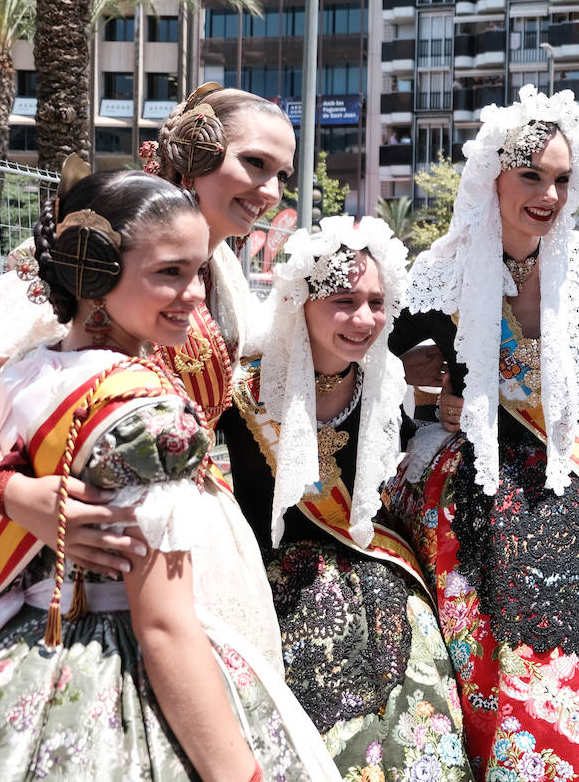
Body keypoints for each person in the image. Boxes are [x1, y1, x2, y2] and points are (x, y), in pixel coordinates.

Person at [0, 169, 337, 780]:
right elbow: (163, 628)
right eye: (170, 273)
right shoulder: (151, 423)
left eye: (199, 272)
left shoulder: (27, 368)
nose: (195, 294)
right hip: (105, 661)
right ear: (95, 275)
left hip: (4, 635)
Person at [385, 86, 579, 781]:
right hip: (476, 479)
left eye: (561, 179)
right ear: (493, 175)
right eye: (532, 176)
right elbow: (376, 369)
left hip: (573, 469)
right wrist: (431, 394)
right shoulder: (440, 270)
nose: (548, 194)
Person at [217, 217, 471, 778]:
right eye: (343, 300)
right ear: (300, 301)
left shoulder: (382, 386)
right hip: (278, 602)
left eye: (376, 302)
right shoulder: (240, 393)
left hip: (384, 593)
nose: (364, 319)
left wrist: (446, 416)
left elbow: (405, 470)